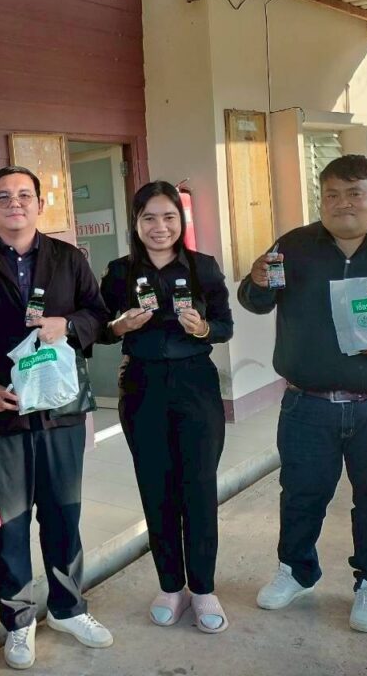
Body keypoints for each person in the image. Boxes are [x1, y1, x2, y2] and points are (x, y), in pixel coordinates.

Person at [240, 154, 367, 633]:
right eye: (332, 194)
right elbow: (257, 301)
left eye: (355, 193)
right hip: (307, 403)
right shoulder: (294, 246)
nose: (342, 203)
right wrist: (256, 282)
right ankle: (296, 571)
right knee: (300, 494)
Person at [0, 166, 110, 670]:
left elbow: (99, 316)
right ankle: (18, 621)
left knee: (64, 515)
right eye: (3, 196)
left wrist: (69, 324)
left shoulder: (68, 259)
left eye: (24, 195)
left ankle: (67, 608)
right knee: (10, 525)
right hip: (1, 419)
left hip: (60, 413)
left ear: (40, 204)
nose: (14, 203)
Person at [99, 181, 234, 633]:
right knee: (156, 487)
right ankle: (171, 586)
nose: (160, 227)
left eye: (169, 217)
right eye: (149, 218)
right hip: (142, 385)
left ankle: (204, 588)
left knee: (199, 486)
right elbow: (100, 327)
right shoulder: (120, 272)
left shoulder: (202, 267)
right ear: (136, 223)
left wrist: (202, 329)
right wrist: (120, 326)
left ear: (181, 220)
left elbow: (225, 325)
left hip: (196, 384)